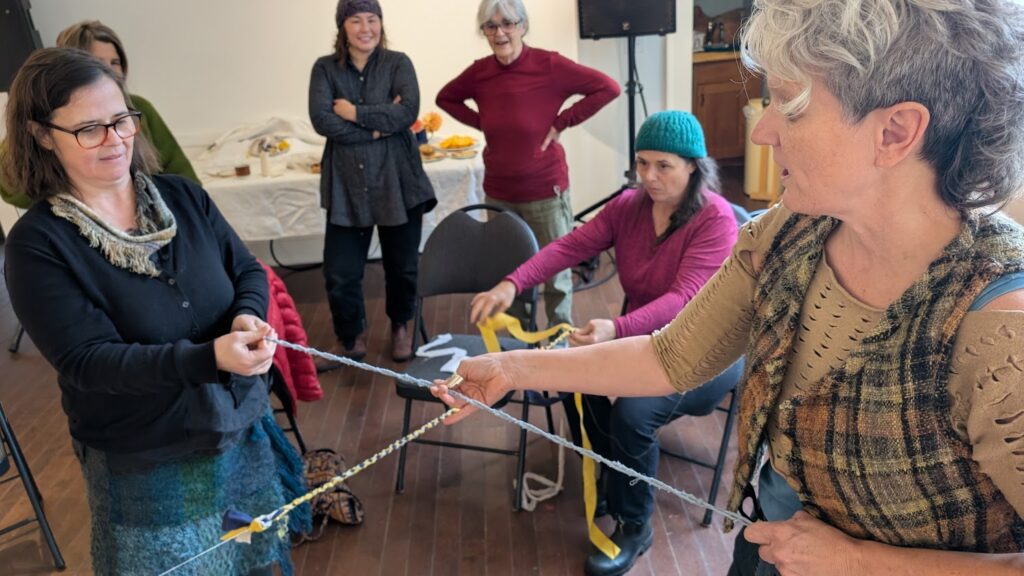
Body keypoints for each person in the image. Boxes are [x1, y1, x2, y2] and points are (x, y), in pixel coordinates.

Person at [432, 1, 1024, 574]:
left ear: (895, 131)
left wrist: (859, 561)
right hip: (767, 544)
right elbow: (671, 358)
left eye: (789, 105)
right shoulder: (782, 235)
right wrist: (513, 368)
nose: (763, 131)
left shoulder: (1002, 322)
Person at [2, 48, 307, 575]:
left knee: (252, 559)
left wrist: (245, 317)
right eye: (89, 129)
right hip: (148, 458)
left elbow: (248, 272)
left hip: (239, 430)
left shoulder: (183, 198)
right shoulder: (38, 244)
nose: (116, 139)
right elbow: (90, 362)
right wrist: (210, 358)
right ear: (41, 134)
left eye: (122, 120)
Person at [470, 110, 744, 575]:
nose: (649, 177)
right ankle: (610, 476)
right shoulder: (629, 207)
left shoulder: (716, 220)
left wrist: (614, 330)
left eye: (664, 165)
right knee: (583, 381)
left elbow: (683, 301)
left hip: (704, 351)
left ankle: (635, 525)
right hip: (641, 340)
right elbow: (570, 247)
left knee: (634, 413)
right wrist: (511, 285)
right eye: (642, 164)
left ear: (694, 166)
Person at [436, 0, 620, 330]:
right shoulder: (480, 72)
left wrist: (563, 120)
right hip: (499, 192)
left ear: (523, 25)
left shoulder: (548, 65)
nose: (500, 32)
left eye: (507, 23)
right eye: (490, 26)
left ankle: (559, 340)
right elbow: (445, 98)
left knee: (555, 272)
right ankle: (519, 341)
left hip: (544, 190)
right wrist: (484, 123)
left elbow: (607, 88)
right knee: (511, 270)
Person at [309, 0, 436, 370]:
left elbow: (407, 112)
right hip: (348, 184)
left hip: (399, 180)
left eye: (372, 19)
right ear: (342, 26)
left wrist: (355, 113)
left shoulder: (399, 63)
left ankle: (401, 325)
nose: (366, 28)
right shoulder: (325, 69)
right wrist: (380, 127)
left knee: (403, 266)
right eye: (355, 20)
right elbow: (321, 120)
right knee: (340, 271)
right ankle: (350, 337)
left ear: (381, 24)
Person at [0, 20, 198, 209]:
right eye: (89, 128)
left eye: (115, 62)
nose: (110, 72)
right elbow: (15, 188)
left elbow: (182, 174)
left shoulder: (141, 108)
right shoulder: (43, 127)